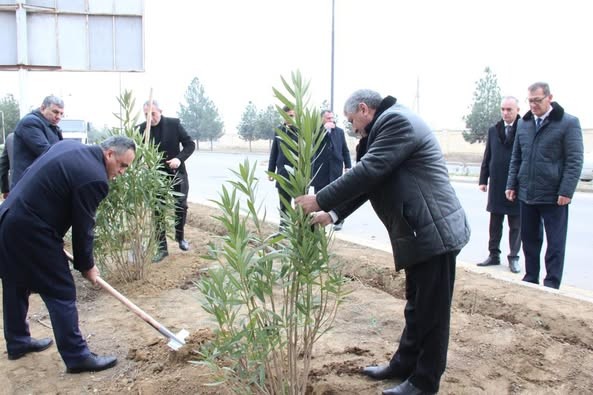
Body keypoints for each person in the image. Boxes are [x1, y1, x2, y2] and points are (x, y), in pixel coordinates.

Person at [295, 89, 470, 395]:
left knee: (433, 312)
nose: (353, 129)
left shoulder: (397, 122)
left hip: (434, 232)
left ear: (364, 109)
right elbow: (372, 180)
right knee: (417, 306)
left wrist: (319, 198)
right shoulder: (384, 127)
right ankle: (403, 365)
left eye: (352, 121)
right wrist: (331, 213)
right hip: (420, 231)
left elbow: (369, 171)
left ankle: (424, 382)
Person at [0, 136, 136, 373]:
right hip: (32, 231)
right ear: (109, 154)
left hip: (9, 218)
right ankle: (77, 357)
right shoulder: (95, 178)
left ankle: (18, 342)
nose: (122, 172)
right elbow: (84, 227)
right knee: (61, 290)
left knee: (15, 282)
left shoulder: (71, 146)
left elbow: (50, 188)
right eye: (122, 165)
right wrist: (87, 266)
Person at [506, 82, 583, 289]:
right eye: (530, 101)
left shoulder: (568, 123)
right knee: (530, 240)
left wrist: (566, 190)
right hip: (527, 193)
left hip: (554, 196)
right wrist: (511, 184)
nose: (533, 105)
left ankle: (551, 283)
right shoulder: (524, 124)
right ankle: (531, 277)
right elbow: (516, 157)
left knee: (555, 243)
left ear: (549, 98)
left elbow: (575, 160)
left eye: (537, 100)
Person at [139, 100, 196, 263]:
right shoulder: (142, 129)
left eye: (153, 114)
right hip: (155, 177)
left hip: (177, 173)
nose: (150, 118)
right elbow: (135, 151)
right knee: (158, 212)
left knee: (181, 205)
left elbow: (190, 145)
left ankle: (180, 237)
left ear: (160, 111)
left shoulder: (174, 124)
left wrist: (179, 159)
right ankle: (162, 248)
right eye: (146, 115)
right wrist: (141, 163)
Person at [477, 96, 522, 273]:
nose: (505, 113)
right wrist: (483, 179)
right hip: (496, 182)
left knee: (515, 224)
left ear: (517, 110)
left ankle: (514, 257)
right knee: (495, 221)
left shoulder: (524, 129)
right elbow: (487, 155)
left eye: (509, 109)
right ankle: (493, 254)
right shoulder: (493, 130)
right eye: (503, 109)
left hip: (515, 183)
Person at [311, 110, 352, 231]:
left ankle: (339, 220)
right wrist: (324, 130)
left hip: (335, 169)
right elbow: (314, 145)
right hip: (320, 169)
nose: (331, 120)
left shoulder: (339, 132)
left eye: (332, 118)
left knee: (338, 195)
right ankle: (319, 221)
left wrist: (348, 165)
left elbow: (344, 150)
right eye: (328, 118)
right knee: (320, 196)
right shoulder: (316, 131)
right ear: (322, 119)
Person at [11, 95, 64, 188]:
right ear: (43, 108)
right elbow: (47, 152)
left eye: (61, 113)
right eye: (55, 112)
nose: (58, 117)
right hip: (27, 186)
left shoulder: (50, 126)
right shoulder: (30, 123)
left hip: (37, 184)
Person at [267, 106, 298, 227]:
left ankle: (298, 228)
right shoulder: (279, 131)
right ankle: (284, 227)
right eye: (287, 116)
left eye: (291, 116)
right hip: (282, 173)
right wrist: (271, 171)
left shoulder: (300, 131)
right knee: (284, 203)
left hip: (298, 174)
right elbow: (274, 152)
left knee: (299, 204)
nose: (289, 118)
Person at [0, 132, 14, 199]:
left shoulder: (10, 138)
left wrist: (5, 189)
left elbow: (3, 166)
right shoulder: (44, 136)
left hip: (14, 188)